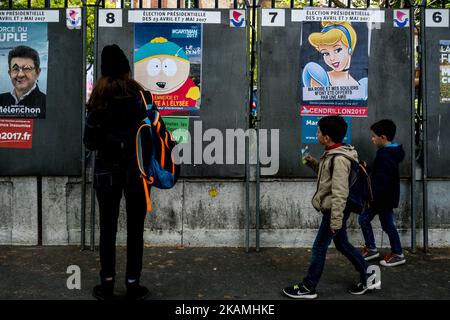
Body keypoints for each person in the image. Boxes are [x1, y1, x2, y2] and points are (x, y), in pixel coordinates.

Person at [282, 116, 380, 299]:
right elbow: (329, 177)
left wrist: (335, 219)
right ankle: (369, 275)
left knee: (319, 247)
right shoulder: (333, 153)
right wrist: (312, 163)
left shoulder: (340, 159)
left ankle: (308, 287)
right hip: (335, 209)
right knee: (342, 243)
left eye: (318, 132)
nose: (316, 134)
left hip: (336, 210)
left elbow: (340, 192)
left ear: (327, 137)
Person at [83, 44, 151, 300]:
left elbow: (88, 141)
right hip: (136, 172)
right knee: (135, 229)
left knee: (107, 228)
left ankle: (107, 284)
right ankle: (133, 283)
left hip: (106, 173)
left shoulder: (98, 98)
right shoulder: (139, 96)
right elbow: (149, 137)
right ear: (126, 68)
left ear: (103, 70)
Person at [359, 119, 406, 267]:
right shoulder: (389, 153)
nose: (372, 138)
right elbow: (381, 174)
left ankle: (385, 251)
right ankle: (393, 252)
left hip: (380, 198)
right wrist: (369, 168)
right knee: (387, 225)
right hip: (385, 198)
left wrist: (370, 198)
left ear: (383, 137)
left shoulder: (385, 155)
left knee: (364, 219)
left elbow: (381, 181)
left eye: (373, 136)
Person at [302, 22, 367, 98]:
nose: (332, 58)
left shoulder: (362, 85)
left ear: (350, 49)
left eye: (337, 50)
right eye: (325, 53)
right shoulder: (320, 77)